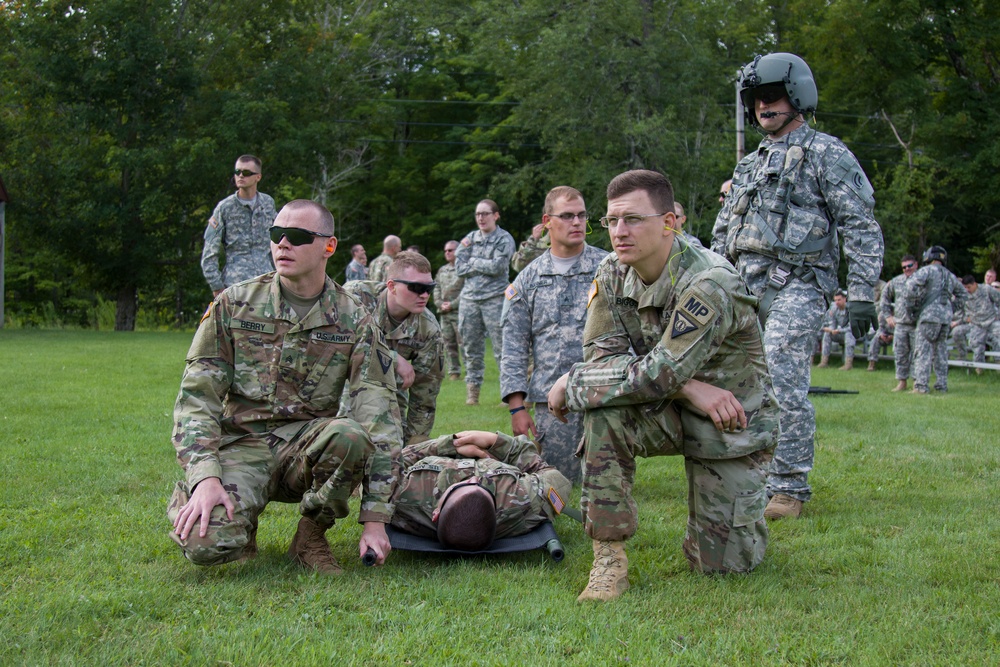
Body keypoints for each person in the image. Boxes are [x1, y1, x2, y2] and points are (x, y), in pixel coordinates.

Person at [548, 170, 779, 602]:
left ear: (670, 222)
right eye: (612, 221)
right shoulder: (613, 272)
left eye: (633, 219)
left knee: (723, 567)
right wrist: (690, 388)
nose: (619, 232)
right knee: (605, 409)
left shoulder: (709, 283)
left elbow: (655, 373)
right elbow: (605, 359)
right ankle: (608, 559)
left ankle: (738, 518)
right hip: (670, 408)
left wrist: (569, 380)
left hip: (730, 422)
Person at [168, 199, 400, 574]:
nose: (283, 244)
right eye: (277, 235)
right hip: (241, 444)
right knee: (205, 546)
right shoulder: (235, 304)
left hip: (305, 449)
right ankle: (234, 519)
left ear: (329, 246)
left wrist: (376, 517)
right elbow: (198, 398)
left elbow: (379, 413)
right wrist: (205, 478)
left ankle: (309, 537)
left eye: (297, 236)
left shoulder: (355, 317)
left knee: (352, 436)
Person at [711, 53, 883, 520]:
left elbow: (861, 226)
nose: (764, 105)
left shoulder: (828, 154)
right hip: (744, 287)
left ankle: (788, 487)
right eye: (757, 98)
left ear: (798, 95)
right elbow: (723, 232)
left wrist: (863, 291)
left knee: (783, 377)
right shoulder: (749, 165)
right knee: (738, 384)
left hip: (799, 285)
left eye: (774, 95)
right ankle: (749, 475)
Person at [500, 186, 608, 482]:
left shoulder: (610, 269)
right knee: (558, 484)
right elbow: (513, 344)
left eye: (582, 215)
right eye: (567, 216)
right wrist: (516, 407)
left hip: (605, 394)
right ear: (547, 221)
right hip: (553, 403)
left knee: (607, 487)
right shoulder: (529, 279)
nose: (577, 222)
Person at [389, 431, 571, 550]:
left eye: (460, 486)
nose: (474, 478)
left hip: (437, 452)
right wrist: (496, 441)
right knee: (532, 445)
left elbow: (387, 464)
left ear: (435, 513)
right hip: (495, 453)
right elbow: (552, 475)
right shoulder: (523, 500)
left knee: (416, 438)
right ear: (498, 512)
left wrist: (446, 445)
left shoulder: (405, 497)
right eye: (484, 486)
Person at [344, 251, 444, 444]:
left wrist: (415, 443)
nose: (424, 295)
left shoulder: (428, 329)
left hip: (390, 395)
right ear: (392, 286)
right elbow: (331, 343)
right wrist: (390, 356)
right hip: (343, 386)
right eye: (416, 287)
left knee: (389, 451)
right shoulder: (355, 297)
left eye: (429, 288)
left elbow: (425, 394)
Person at [455, 199, 516, 405]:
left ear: (495, 215)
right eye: (478, 214)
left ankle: (507, 396)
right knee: (471, 349)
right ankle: (472, 396)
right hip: (469, 300)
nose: (481, 218)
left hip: (495, 299)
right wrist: (480, 264)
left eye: (485, 213)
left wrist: (472, 261)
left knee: (502, 349)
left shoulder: (504, 239)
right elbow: (458, 267)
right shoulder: (469, 239)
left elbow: (498, 267)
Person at [200, 155, 278, 297]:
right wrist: (217, 286)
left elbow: (278, 241)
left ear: (258, 177)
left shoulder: (267, 204)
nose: (241, 176)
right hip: (236, 286)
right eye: (238, 172)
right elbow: (210, 251)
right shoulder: (225, 208)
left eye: (247, 173)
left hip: (267, 282)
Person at [903, 246, 966, 394]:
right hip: (945, 319)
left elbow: (909, 287)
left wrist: (913, 307)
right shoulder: (950, 275)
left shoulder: (926, 271)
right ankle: (941, 385)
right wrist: (951, 308)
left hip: (928, 317)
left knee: (923, 351)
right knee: (941, 352)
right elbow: (963, 295)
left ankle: (921, 386)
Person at [880, 255, 919, 390]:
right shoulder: (897, 281)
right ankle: (902, 382)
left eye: (909, 266)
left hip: (917, 324)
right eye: (904, 267)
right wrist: (888, 316)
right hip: (900, 324)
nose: (907, 269)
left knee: (917, 354)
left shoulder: (922, 280)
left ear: (916, 265)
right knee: (900, 354)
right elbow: (884, 297)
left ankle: (917, 382)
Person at [433, 240, 465, 381]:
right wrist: (440, 304)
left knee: (464, 343)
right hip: (444, 313)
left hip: (460, 312)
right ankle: (454, 371)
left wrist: (452, 304)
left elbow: (467, 290)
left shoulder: (464, 269)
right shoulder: (442, 270)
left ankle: (471, 372)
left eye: (450, 250)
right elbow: (436, 288)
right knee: (447, 343)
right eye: (446, 250)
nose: (447, 253)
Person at [958, 274, 1000, 374]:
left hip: (991, 320)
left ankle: (998, 362)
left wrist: (998, 315)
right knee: (975, 343)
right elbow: (962, 311)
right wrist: (967, 318)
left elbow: (998, 300)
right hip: (977, 323)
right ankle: (979, 368)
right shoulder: (965, 295)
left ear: (975, 284)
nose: (967, 289)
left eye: (969, 287)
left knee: (998, 337)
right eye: (965, 287)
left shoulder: (986, 289)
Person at [817, 290, 856, 370]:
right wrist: (831, 329)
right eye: (835, 300)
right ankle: (824, 362)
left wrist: (839, 330)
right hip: (839, 333)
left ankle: (848, 364)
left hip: (852, 334)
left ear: (845, 299)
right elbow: (833, 323)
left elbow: (852, 327)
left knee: (849, 334)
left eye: (839, 300)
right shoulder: (835, 309)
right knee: (827, 334)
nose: (837, 302)